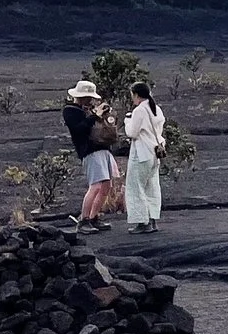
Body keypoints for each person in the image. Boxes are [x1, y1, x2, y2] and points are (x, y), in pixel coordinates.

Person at [62, 79, 121, 231]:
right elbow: (78, 129)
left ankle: (93, 217)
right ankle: (84, 220)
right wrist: (95, 116)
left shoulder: (88, 109)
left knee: (107, 185)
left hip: (103, 149)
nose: (90, 100)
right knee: (95, 186)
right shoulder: (70, 111)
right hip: (90, 151)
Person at [122, 80, 166, 233]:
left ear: (136, 95)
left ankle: (142, 222)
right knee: (152, 187)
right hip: (155, 153)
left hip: (141, 154)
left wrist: (127, 121)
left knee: (136, 188)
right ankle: (152, 220)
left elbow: (132, 133)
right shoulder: (156, 109)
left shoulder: (139, 110)